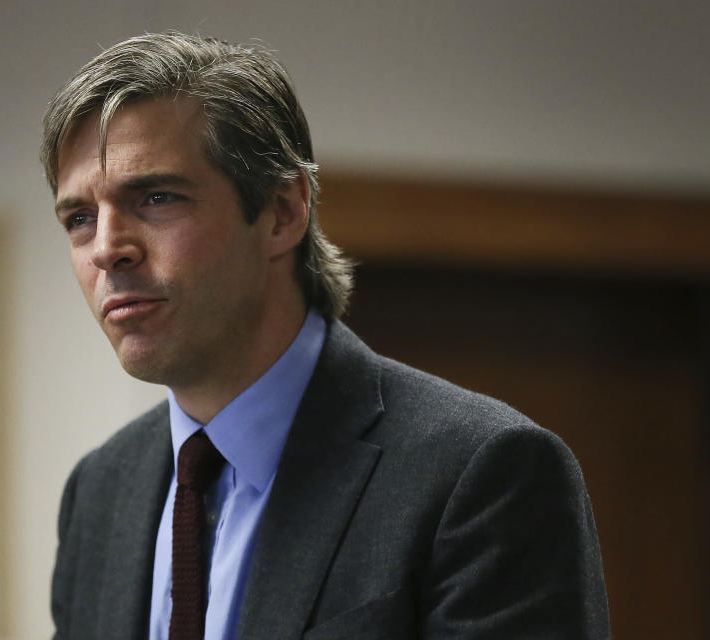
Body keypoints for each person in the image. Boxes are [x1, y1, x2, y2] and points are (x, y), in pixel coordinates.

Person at [41, 32, 609, 640]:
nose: (106, 249)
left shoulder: (481, 473)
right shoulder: (99, 492)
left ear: (284, 211)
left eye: (156, 197)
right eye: (80, 218)